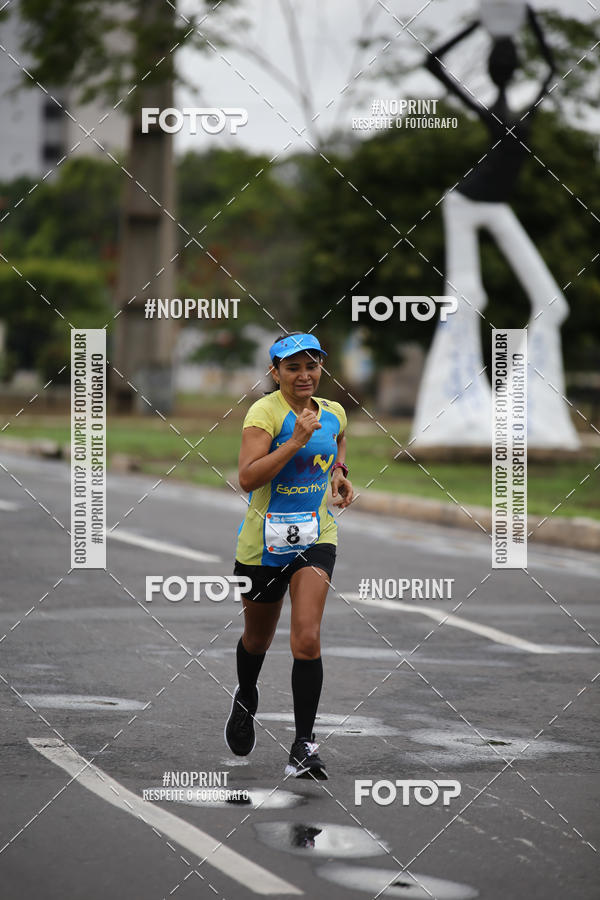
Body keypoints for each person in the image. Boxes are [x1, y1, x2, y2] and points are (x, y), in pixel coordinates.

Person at [412, 4, 579, 449]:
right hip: (465, 204)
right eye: (503, 62)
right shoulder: (495, 114)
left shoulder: (526, 109)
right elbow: (432, 63)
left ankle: (520, 413)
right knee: (465, 300)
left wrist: (527, 19)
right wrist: (477, 26)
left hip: (496, 206)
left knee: (551, 304)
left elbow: (552, 66)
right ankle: (454, 413)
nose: (508, 67)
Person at [224, 332, 353, 780]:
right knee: (257, 640)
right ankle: (246, 694)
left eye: (312, 365)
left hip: (316, 536)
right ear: (275, 372)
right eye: (293, 367)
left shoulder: (333, 412)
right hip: (264, 544)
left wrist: (339, 473)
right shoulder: (265, 413)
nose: (304, 375)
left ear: (321, 367)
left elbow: (335, 445)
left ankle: (303, 745)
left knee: (308, 638)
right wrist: (295, 441)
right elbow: (247, 477)